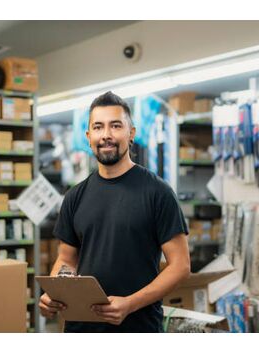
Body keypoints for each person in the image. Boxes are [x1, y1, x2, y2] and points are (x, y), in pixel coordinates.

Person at [39, 91, 190, 333]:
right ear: (88, 137)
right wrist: (56, 292)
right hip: (81, 330)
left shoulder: (157, 192)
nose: (106, 135)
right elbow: (67, 260)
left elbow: (180, 266)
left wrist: (130, 304)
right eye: (98, 127)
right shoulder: (75, 196)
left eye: (115, 126)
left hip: (138, 329)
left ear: (131, 133)